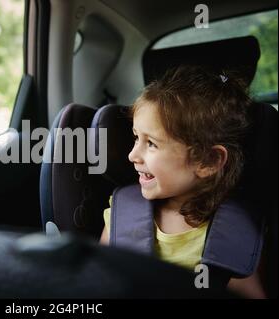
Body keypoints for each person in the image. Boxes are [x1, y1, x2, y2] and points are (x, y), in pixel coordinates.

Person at [100, 65, 266, 298]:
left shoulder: (235, 234)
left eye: (152, 144)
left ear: (208, 161)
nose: (132, 155)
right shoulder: (121, 215)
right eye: (136, 137)